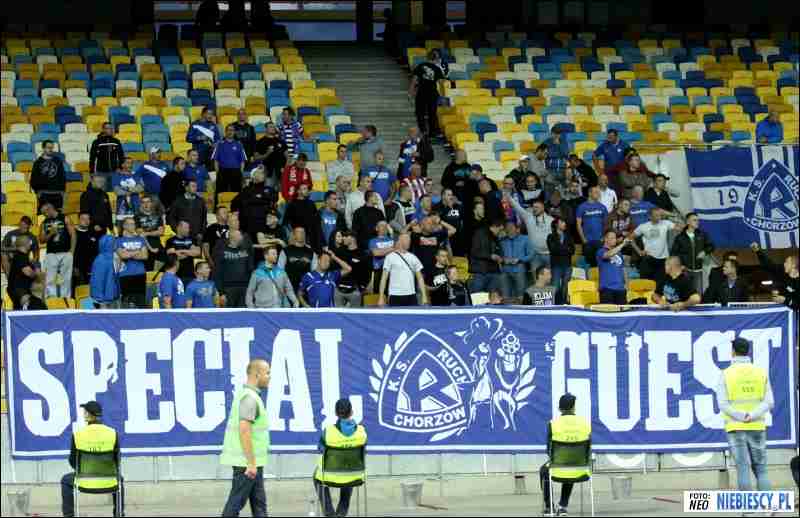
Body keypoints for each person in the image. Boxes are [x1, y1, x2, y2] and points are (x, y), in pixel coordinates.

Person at [715, 337, 774, 491]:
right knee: (761, 469)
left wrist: (740, 416)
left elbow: (722, 404)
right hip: (757, 426)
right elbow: (769, 401)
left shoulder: (726, 374)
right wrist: (752, 415)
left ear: (733, 352)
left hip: (735, 427)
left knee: (742, 468)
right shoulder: (760, 372)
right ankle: (768, 504)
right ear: (748, 351)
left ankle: (747, 505)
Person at [220, 359, 272, 517]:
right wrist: (251, 463)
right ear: (257, 375)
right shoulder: (250, 398)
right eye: (267, 373)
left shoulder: (249, 396)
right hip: (247, 465)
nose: (269, 377)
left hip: (253, 463)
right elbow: (244, 431)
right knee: (235, 504)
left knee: (259, 505)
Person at [60, 401, 123, 518]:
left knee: (65, 480)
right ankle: (119, 514)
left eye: (85, 412)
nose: (83, 414)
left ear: (88, 415)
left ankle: (69, 515)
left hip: (84, 480)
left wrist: (86, 470)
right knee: (119, 479)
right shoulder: (112, 433)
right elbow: (117, 461)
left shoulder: (78, 434)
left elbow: (73, 462)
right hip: (109, 480)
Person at [313, 398, 367, 518]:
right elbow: (364, 452)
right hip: (354, 475)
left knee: (316, 478)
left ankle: (330, 513)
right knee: (349, 471)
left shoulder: (328, 432)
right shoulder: (361, 432)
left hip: (329, 475)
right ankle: (341, 513)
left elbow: (320, 449)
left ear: (336, 413)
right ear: (351, 412)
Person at [540, 393, 591, 516]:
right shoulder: (585, 423)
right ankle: (563, 506)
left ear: (560, 408)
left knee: (544, 470)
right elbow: (588, 448)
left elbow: (549, 450)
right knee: (572, 464)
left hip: (558, 467)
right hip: (580, 469)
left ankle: (549, 508)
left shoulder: (553, 424)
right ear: (573, 407)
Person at [378, 232, 427, 306]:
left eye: (409, 240)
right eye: (406, 239)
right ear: (399, 241)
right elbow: (384, 278)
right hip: (395, 295)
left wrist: (424, 296)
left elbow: (420, 278)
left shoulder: (413, 257)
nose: (409, 242)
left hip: (411, 295)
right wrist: (381, 297)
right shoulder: (390, 257)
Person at [670, 212, 714, 296]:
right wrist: (680, 265)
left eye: (698, 220)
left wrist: (704, 252)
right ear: (688, 222)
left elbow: (711, 246)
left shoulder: (702, 234)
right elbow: (673, 254)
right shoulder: (680, 237)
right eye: (694, 220)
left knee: (698, 294)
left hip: (698, 270)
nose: (697, 222)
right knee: (685, 294)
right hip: (685, 271)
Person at [508, 195, 552, 276]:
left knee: (549, 278)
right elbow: (517, 207)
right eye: (533, 207)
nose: (534, 209)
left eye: (537, 207)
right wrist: (508, 196)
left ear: (543, 208)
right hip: (534, 255)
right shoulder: (528, 217)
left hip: (549, 255)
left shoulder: (551, 220)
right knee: (536, 278)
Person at [39, 201, 76, 298]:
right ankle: (51, 299)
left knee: (66, 278)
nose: (44, 215)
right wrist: (51, 233)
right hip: (51, 253)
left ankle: (65, 299)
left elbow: (73, 235)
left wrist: (71, 251)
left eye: (45, 212)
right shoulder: (44, 223)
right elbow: (41, 240)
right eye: (43, 213)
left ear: (50, 208)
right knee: (50, 278)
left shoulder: (65, 218)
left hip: (65, 252)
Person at [634, 208, 681, 284]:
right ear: (650, 216)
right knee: (645, 285)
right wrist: (639, 251)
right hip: (649, 258)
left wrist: (673, 216)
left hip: (663, 260)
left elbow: (681, 228)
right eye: (656, 215)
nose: (659, 217)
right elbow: (629, 238)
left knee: (659, 285)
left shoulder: (666, 223)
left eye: (660, 215)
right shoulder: (643, 226)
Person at [213, 230, 255, 308]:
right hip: (228, 288)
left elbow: (251, 270)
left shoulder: (246, 251)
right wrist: (221, 293)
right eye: (240, 236)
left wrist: (251, 290)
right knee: (229, 313)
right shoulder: (221, 253)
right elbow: (217, 273)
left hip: (244, 288)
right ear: (233, 237)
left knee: (243, 313)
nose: (242, 238)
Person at [751, 243, 799, 310]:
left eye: (786, 262)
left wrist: (785, 300)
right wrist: (757, 251)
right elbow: (769, 264)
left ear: (793, 265)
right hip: (782, 313)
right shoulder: (783, 273)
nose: (784, 264)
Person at [409, 51, 446, 136]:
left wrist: (411, 91)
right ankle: (433, 132)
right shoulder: (437, 69)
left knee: (420, 113)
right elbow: (441, 83)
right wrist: (442, 95)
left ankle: (423, 131)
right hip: (432, 93)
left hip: (421, 92)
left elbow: (414, 79)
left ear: (427, 57)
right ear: (436, 59)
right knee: (432, 113)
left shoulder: (421, 66)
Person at [115, 217, 148, 308]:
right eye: (130, 224)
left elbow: (145, 256)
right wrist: (137, 251)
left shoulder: (140, 239)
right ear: (124, 226)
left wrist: (129, 253)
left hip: (140, 274)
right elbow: (123, 256)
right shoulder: (118, 240)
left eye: (133, 224)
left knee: (141, 302)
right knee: (126, 303)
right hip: (125, 275)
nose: (133, 226)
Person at [235, 166, 277, 237]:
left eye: (262, 173)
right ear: (253, 176)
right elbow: (236, 203)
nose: (261, 174)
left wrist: (255, 198)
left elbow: (273, 199)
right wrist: (261, 199)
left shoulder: (269, 190)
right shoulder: (246, 190)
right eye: (258, 173)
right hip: (249, 220)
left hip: (264, 219)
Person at [333, 231, 370, 307]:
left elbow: (367, 272)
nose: (343, 238)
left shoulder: (363, 254)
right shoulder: (339, 252)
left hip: (355, 291)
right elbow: (334, 270)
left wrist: (362, 287)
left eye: (346, 236)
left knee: (355, 313)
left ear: (353, 238)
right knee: (337, 313)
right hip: (339, 289)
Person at [284, 184, 322, 253]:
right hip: (298, 237)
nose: (307, 191)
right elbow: (286, 222)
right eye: (304, 189)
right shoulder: (292, 204)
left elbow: (317, 222)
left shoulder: (311, 204)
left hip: (311, 238)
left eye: (307, 189)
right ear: (298, 191)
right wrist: (292, 234)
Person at [468, 219, 504, 294]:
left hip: (494, 273)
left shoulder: (497, 237)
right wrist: (490, 256)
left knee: (492, 299)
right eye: (500, 230)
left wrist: (500, 257)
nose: (500, 232)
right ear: (494, 227)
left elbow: (499, 251)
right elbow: (474, 252)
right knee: (478, 298)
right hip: (480, 273)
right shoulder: (479, 234)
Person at [213, 124, 248, 199]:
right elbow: (215, 160)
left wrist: (240, 173)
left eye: (232, 130)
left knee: (237, 193)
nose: (230, 132)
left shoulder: (239, 144)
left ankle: (237, 206)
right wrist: (218, 173)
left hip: (236, 172)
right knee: (220, 193)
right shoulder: (219, 144)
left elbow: (242, 161)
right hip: (222, 171)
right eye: (228, 130)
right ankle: (218, 206)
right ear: (225, 132)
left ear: (234, 132)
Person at [576, 186, 609, 268]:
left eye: (599, 193)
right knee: (589, 264)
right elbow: (578, 225)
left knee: (600, 264)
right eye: (596, 192)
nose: (598, 194)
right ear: (590, 193)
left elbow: (606, 224)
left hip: (600, 240)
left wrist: (604, 237)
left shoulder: (602, 207)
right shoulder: (582, 207)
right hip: (587, 241)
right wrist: (583, 239)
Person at [597, 230, 632, 305]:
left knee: (622, 312)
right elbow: (608, 255)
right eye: (612, 238)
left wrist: (627, 285)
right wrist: (623, 244)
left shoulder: (619, 253)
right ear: (606, 239)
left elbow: (623, 269)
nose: (614, 240)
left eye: (615, 238)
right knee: (608, 312)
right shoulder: (600, 251)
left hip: (621, 289)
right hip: (607, 289)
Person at [30, 139, 67, 210]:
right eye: (48, 147)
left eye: (52, 147)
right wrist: (37, 192)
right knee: (45, 215)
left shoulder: (58, 161)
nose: (50, 149)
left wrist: (62, 191)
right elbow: (33, 179)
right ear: (43, 148)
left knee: (57, 215)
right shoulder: (38, 163)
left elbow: (62, 177)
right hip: (43, 194)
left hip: (57, 194)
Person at [278, 227, 317, 293]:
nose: (301, 234)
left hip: (305, 288)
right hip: (289, 288)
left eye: (303, 232)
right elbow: (280, 270)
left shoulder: (311, 252)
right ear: (294, 235)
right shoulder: (285, 251)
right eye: (298, 232)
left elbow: (314, 272)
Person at [499, 222, 530, 302]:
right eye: (507, 228)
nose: (509, 230)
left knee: (521, 295)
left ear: (517, 229)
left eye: (511, 228)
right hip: (505, 270)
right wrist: (502, 259)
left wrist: (519, 259)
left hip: (519, 270)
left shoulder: (525, 239)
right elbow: (498, 254)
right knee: (505, 295)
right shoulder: (501, 240)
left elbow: (531, 254)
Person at [165, 220, 202, 287]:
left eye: (188, 228)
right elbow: (175, 256)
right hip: (175, 274)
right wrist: (190, 251)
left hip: (189, 274)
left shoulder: (192, 239)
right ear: (178, 228)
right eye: (186, 228)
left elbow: (198, 252)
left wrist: (181, 251)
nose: (188, 230)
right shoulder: (170, 241)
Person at [6, 235, 39, 310]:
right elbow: (28, 272)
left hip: (20, 290)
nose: (30, 244)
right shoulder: (21, 256)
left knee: (18, 310)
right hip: (20, 291)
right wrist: (37, 273)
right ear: (26, 244)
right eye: (29, 242)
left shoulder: (19, 256)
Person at [547, 218, 575, 305]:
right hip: (556, 265)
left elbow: (572, 251)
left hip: (567, 265)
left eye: (564, 222)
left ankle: (563, 304)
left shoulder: (569, 236)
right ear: (556, 224)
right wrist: (566, 248)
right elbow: (553, 250)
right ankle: (555, 304)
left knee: (565, 286)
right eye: (562, 222)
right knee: (555, 286)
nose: (564, 223)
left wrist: (560, 248)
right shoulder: (551, 236)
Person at [72, 212, 104, 287]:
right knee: (79, 288)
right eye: (83, 219)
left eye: (88, 219)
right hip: (78, 267)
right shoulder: (73, 234)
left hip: (92, 267)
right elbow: (72, 252)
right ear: (78, 220)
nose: (86, 221)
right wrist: (74, 266)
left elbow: (97, 250)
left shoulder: (94, 233)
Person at [253, 121, 288, 189]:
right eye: (271, 127)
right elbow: (256, 157)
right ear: (266, 129)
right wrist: (267, 154)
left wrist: (285, 169)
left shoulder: (281, 141)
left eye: (274, 127)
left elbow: (288, 157)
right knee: (268, 192)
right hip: (268, 172)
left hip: (281, 172)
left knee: (281, 193)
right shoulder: (260, 142)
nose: (273, 128)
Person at [135, 195, 165, 272]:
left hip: (157, 245)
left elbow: (161, 232)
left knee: (164, 264)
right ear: (141, 204)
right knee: (148, 270)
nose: (146, 204)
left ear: (151, 203)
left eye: (148, 202)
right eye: (143, 202)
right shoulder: (137, 217)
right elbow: (141, 235)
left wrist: (147, 233)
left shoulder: (157, 216)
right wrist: (151, 249)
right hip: (144, 246)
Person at [90, 235, 121, 309]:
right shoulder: (101, 260)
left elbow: (116, 277)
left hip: (113, 296)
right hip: (103, 299)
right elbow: (97, 280)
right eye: (114, 242)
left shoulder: (114, 257)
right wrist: (100, 299)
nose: (116, 244)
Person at [437, 188, 466, 256]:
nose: (451, 197)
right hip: (446, 238)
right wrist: (448, 208)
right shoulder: (437, 207)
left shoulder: (457, 206)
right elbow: (438, 220)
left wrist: (461, 205)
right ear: (443, 196)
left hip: (458, 238)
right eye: (448, 195)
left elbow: (463, 218)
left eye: (451, 195)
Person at [368, 221, 395, 292]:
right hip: (379, 270)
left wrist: (392, 234)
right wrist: (393, 249)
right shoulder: (373, 241)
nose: (384, 227)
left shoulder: (392, 239)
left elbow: (399, 249)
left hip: (393, 270)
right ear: (376, 228)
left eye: (386, 225)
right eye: (381, 225)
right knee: (379, 293)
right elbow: (376, 253)